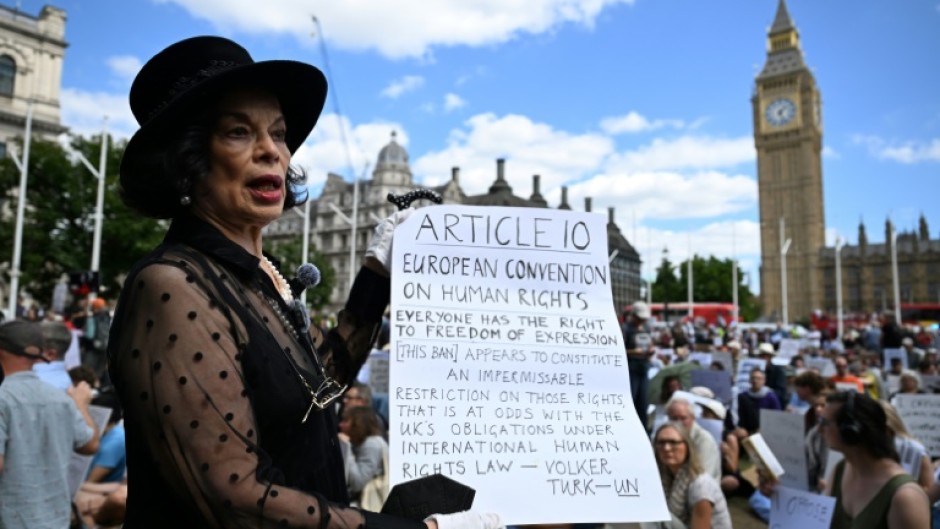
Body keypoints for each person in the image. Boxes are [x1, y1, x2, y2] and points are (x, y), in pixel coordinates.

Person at [108, 36, 500, 529]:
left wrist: (375, 275)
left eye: (278, 132)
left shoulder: (256, 278)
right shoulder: (174, 285)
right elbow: (234, 496)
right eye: (237, 132)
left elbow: (325, 381)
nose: (271, 150)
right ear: (187, 160)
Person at [0, 320, 101, 528]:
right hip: (56, 521)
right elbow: (90, 444)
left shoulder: (3, 398)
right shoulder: (61, 399)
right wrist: (81, 404)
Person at [820, 391, 930, 528]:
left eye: (824, 422)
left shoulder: (906, 497)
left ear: (851, 431)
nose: (819, 429)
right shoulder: (840, 470)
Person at [644, 422, 732, 529]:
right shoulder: (665, 477)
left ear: (687, 446)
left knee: (652, 515)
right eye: (661, 442)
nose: (666, 448)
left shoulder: (701, 485)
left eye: (673, 442)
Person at [338, 405, 388, 505]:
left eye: (346, 421)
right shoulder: (362, 442)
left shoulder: (372, 444)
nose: (340, 425)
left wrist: (346, 448)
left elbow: (357, 483)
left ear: (357, 424)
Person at [664, 398, 721, 482]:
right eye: (674, 418)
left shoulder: (704, 440)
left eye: (683, 418)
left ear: (692, 418)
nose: (679, 423)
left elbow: (703, 476)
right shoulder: (665, 437)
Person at [623, 300, 654, 431]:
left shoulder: (646, 328)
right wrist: (633, 352)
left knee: (643, 403)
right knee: (632, 401)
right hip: (631, 369)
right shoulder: (625, 329)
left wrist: (650, 351)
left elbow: (650, 343)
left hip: (644, 367)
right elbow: (618, 350)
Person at [734, 368, 781, 438]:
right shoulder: (743, 396)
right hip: (746, 431)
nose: (755, 381)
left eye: (758, 378)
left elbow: (777, 417)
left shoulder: (771, 397)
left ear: (764, 381)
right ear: (749, 380)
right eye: (753, 378)